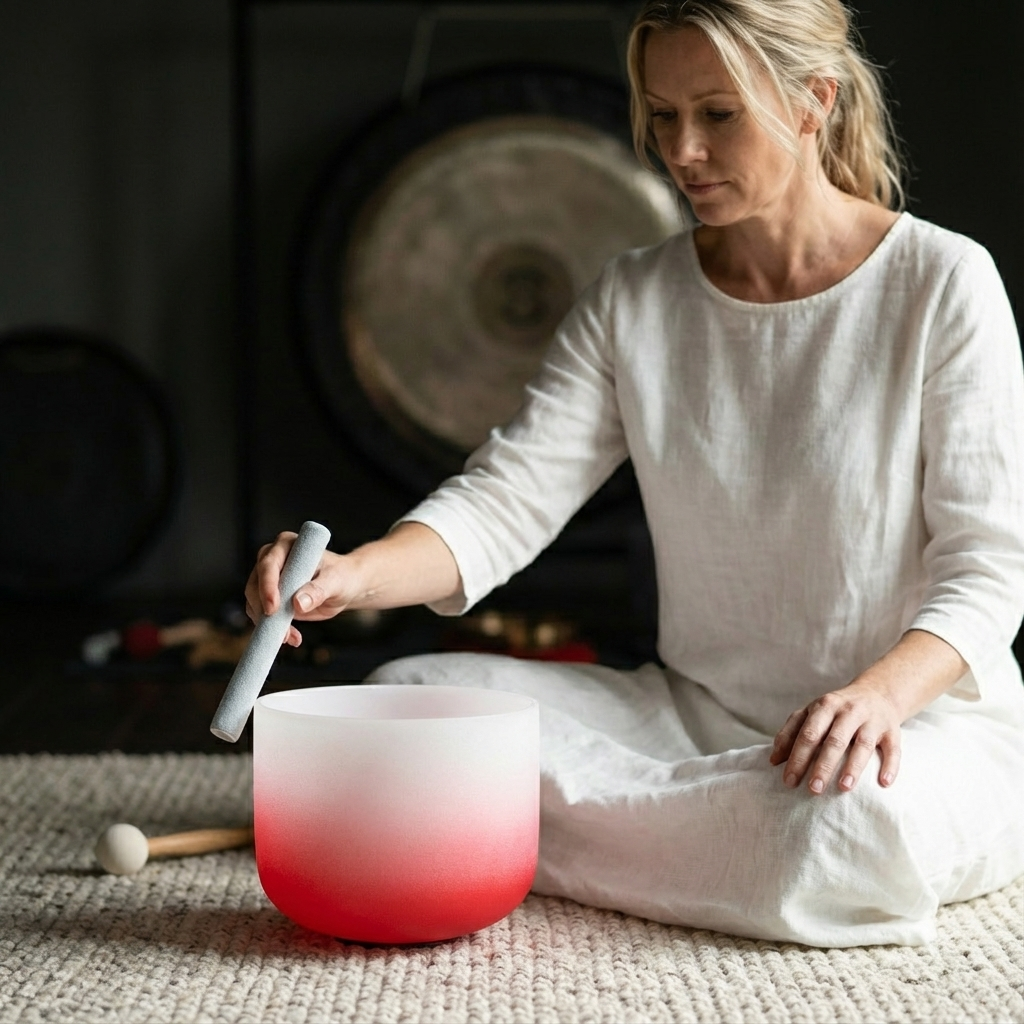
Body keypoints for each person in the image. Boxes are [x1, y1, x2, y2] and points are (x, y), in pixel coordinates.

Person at [247, 0, 1024, 947]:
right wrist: (352, 576)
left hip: (909, 734)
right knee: (405, 695)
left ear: (814, 101)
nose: (681, 151)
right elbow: (504, 502)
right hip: (692, 719)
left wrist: (878, 697)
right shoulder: (634, 297)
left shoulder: (944, 283)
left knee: (846, 827)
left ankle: (508, 829)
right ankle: (714, 835)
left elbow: (990, 571)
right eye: (662, 115)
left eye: (718, 114)